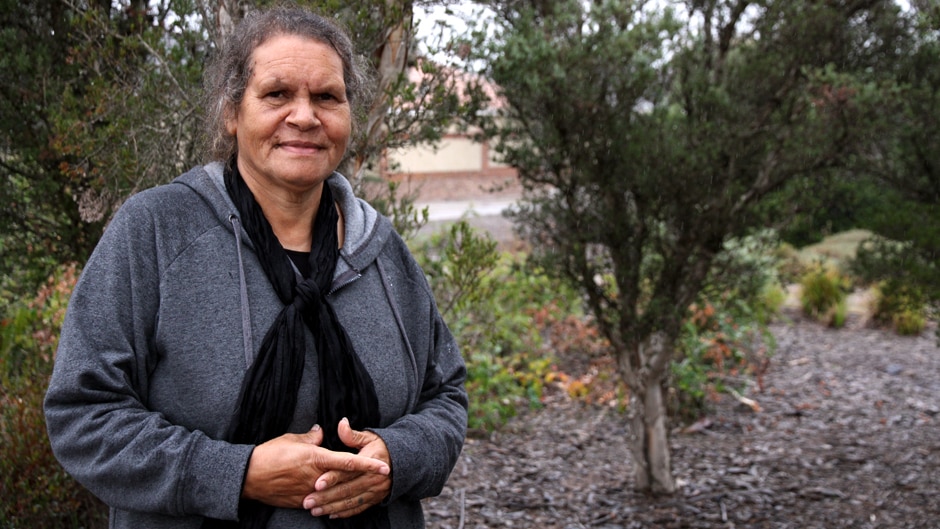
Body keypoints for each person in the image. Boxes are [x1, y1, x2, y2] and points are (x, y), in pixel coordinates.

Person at [43, 5, 468, 529]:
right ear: (231, 111)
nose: (305, 116)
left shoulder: (382, 252)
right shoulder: (156, 231)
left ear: (349, 115)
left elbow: (445, 395)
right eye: (277, 94)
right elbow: (82, 415)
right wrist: (235, 473)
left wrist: (396, 457)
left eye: (327, 97)